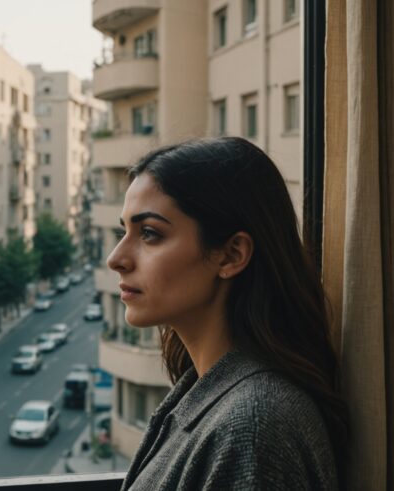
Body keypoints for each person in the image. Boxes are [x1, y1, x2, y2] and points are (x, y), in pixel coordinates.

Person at [107, 137, 347, 490]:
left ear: (232, 255)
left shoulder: (256, 424)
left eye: (149, 234)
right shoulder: (211, 392)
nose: (116, 258)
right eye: (123, 231)